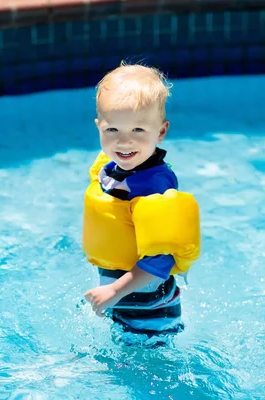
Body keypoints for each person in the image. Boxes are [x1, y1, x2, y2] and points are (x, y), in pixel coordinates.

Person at [82, 62, 201, 337]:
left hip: (150, 309)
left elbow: (160, 261)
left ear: (160, 132)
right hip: (122, 297)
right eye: (113, 130)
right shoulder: (111, 169)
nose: (124, 142)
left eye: (138, 131)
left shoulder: (155, 187)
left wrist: (113, 290)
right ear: (99, 127)